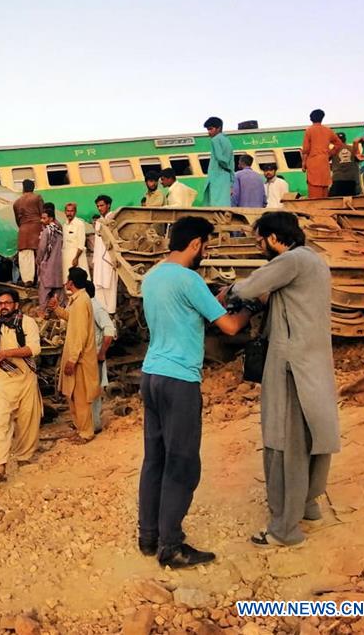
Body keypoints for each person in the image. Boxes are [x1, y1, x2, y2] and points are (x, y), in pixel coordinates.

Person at [138, 216, 252, 568]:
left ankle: (148, 536)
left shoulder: (153, 276)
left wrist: (213, 300)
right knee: (183, 462)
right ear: (195, 244)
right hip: (180, 381)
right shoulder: (190, 279)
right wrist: (250, 306)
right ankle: (171, 545)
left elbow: (183, 312)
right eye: (206, 245)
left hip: (152, 374)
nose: (207, 251)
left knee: (154, 458)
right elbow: (230, 326)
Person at [220, 212, 339, 547]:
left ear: (273, 238)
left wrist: (226, 290)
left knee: (284, 441)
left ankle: (284, 529)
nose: (260, 248)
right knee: (310, 434)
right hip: (311, 363)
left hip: (290, 365)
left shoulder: (289, 260)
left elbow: (247, 287)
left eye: (260, 241)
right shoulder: (313, 260)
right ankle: (307, 505)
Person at [0, 288, 44, 485]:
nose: (3, 307)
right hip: (3, 378)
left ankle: (23, 456)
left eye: (7, 303)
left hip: (26, 377)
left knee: (27, 420)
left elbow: (34, 349)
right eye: (0, 304)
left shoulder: (27, 323)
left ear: (16, 305)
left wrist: (6, 353)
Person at [50, 267, 101, 443]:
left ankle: (86, 432)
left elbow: (80, 333)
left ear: (71, 283)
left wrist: (72, 359)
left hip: (79, 359)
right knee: (72, 396)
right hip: (76, 356)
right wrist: (57, 309)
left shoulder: (81, 301)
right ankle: (80, 429)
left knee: (80, 398)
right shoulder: (79, 300)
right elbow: (71, 319)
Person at [84, 283, 116, 435]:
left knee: (94, 392)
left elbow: (109, 331)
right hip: (86, 357)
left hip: (94, 357)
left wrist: (102, 352)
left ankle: (94, 425)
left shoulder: (96, 309)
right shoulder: (85, 307)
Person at [301, 109, 344, 199]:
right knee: (324, 189)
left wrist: (304, 163)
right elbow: (339, 144)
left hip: (313, 162)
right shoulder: (328, 130)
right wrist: (329, 153)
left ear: (311, 118)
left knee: (314, 192)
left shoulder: (309, 130)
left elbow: (306, 149)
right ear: (322, 118)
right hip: (324, 163)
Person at [12, 179, 44, 286]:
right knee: (40, 254)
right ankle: (40, 279)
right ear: (33, 188)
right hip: (37, 227)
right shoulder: (37, 198)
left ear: (23, 188)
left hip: (23, 230)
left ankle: (27, 280)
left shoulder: (17, 202)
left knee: (25, 257)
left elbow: (17, 220)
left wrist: (23, 226)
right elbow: (42, 214)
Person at [91, 195, 118, 314]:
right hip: (99, 261)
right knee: (98, 285)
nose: (99, 208)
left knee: (110, 286)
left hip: (109, 259)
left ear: (108, 205)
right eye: (98, 206)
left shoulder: (113, 220)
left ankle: (111, 313)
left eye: (101, 205)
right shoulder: (98, 222)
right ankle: (101, 313)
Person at [36, 204, 64, 308]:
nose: (41, 220)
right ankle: (60, 313)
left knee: (44, 290)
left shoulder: (46, 231)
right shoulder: (59, 229)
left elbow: (42, 248)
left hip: (47, 264)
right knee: (58, 290)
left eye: (44, 218)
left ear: (50, 218)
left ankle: (43, 311)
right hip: (58, 264)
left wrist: (38, 260)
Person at [203, 117, 234, 206]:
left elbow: (220, 158)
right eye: (208, 129)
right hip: (226, 177)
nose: (209, 132)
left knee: (214, 204)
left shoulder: (215, 140)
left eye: (210, 129)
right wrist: (230, 170)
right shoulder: (227, 140)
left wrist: (227, 167)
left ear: (219, 128)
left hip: (217, 176)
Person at [329, 132, 360, 197]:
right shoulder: (352, 148)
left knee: (336, 201)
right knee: (351, 200)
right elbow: (359, 159)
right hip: (351, 179)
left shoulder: (334, 150)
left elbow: (326, 159)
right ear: (345, 139)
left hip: (338, 179)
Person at [61, 202, 86, 283]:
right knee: (66, 281)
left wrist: (76, 258)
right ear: (65, 212)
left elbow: (81, 244)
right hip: (65, 257)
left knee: (77, 282)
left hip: (76, 258)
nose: (69, 213)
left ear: (75, 212)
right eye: (67, 211)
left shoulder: (79, 224)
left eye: (71, 211)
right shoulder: (64, 224)